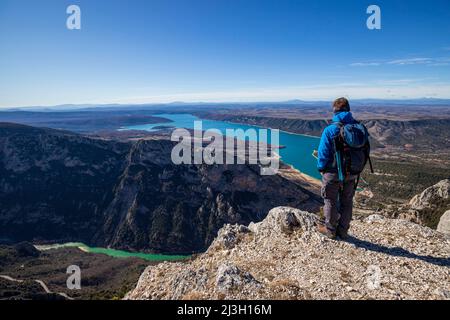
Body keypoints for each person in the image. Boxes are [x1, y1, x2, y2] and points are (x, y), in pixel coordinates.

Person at [316, 97, 360, 240]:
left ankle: (330, 231)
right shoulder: (357, 128)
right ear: (348, 110)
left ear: (334, 111)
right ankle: (343, 231)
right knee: (347, 202)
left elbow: (323, 153)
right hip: (352, 172)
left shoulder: (330, 130)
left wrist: (321, 168)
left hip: (332, 173)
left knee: (330, 201)